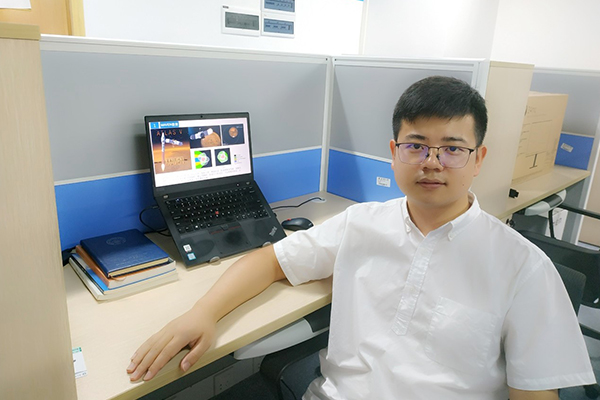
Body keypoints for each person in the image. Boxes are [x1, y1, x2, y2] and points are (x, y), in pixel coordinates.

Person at [127, 76, 596, 399]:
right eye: (416, 146)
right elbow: (268, 261)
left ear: (479, 159)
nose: (431, 163)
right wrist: (203, 313)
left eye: (452, 149)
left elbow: (534, 395)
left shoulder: (523, 267)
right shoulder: (361, 224)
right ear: (394, 152)